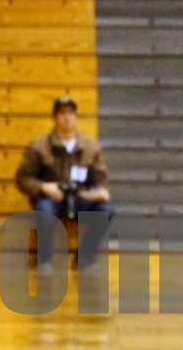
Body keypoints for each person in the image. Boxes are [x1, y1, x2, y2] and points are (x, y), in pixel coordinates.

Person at [16, 95, 115, 272]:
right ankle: (44, 259)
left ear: (76, 117)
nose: (67, 117)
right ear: (55, 117)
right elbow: (22, 178)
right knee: (44, 210)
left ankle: (84, 257)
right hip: (52, 197)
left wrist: (100, 191)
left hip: (80, 198)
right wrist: (43, 187)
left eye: (70, 113)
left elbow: (101, 178)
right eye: (62, 113)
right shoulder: (38, 146)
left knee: (106, 210)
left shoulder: (91, 147)